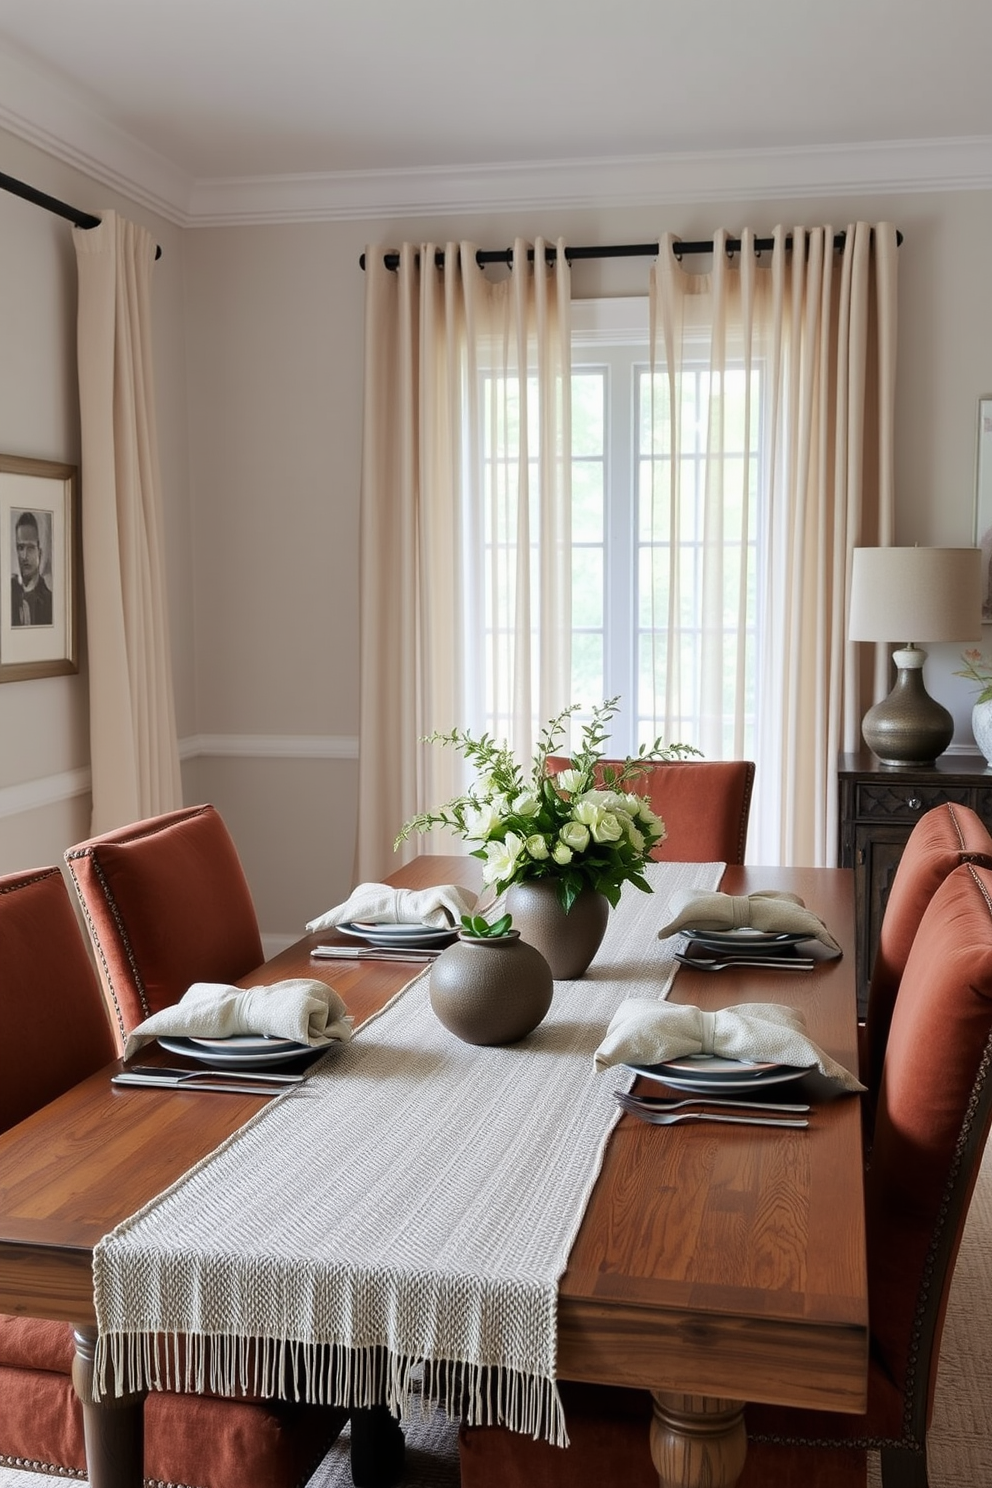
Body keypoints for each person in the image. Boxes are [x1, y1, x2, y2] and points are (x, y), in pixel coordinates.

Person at [11, 510, 53, 626]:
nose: (24, 556)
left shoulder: (50, 602)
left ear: (39, 553)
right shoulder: (9, 594)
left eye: (30, 548)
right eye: (21, 547)